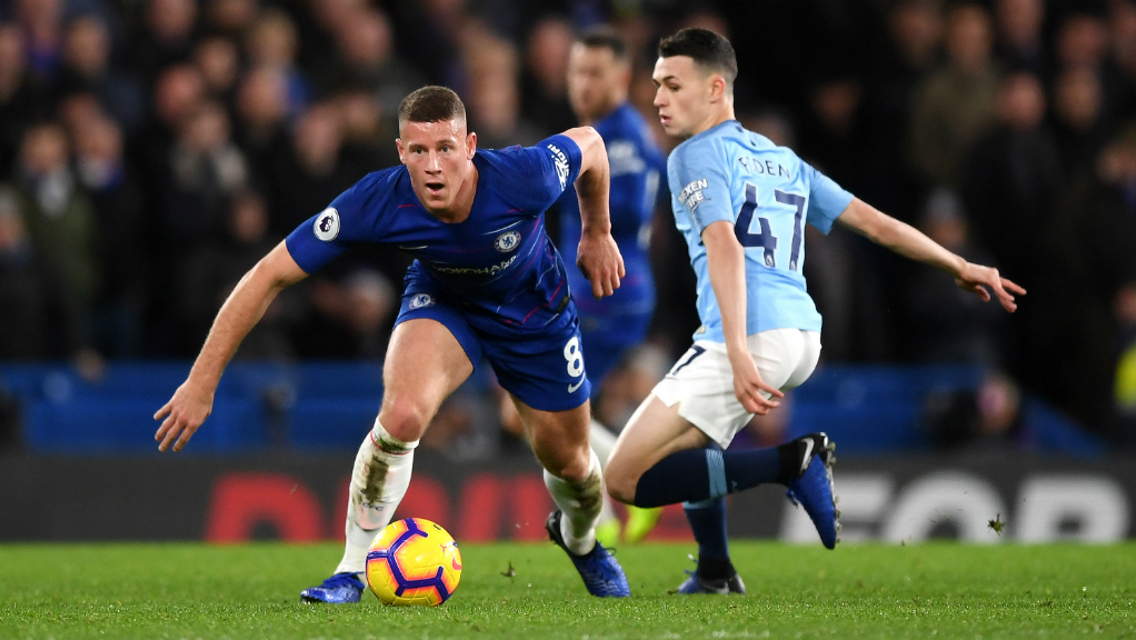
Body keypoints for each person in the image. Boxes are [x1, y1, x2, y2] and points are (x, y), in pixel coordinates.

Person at [154, 85, 632, 601]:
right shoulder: (378, 199)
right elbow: (268, 274)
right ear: (400, 152)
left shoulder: (524, 176)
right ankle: (351, 570)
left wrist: (597, 232)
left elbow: (593, 146)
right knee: (402, 414)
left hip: (534, 312)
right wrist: (202, 382)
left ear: (470, 146)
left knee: (573, 466)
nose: (432, 166)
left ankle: (579, 541)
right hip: (446, 302)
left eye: (445, 148)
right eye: (418, 151)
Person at [604, 28, 1025, 595]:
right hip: (802, 334)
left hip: (750, 333)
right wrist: (958, 264)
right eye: (656, 85)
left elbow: (724, 245)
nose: (657, 99)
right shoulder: (781, 160)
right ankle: (715, 571)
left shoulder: (693, 156)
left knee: (625, 477)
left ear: (714, 88)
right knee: (696, 448)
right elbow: (875, 224)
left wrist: (732, 348)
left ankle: (791, 463)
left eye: (672, 85)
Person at [499, 26, 665, 546]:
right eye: (576, 71)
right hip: (596, 291)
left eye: (594, 73)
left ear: (623, 77)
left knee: (529, 408)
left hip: (605, 292)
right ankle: (616, 510)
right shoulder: (606, 132)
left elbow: (632, 208)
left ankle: (628, 492)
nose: (582, 83)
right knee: (534, 409)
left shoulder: (622, 139)